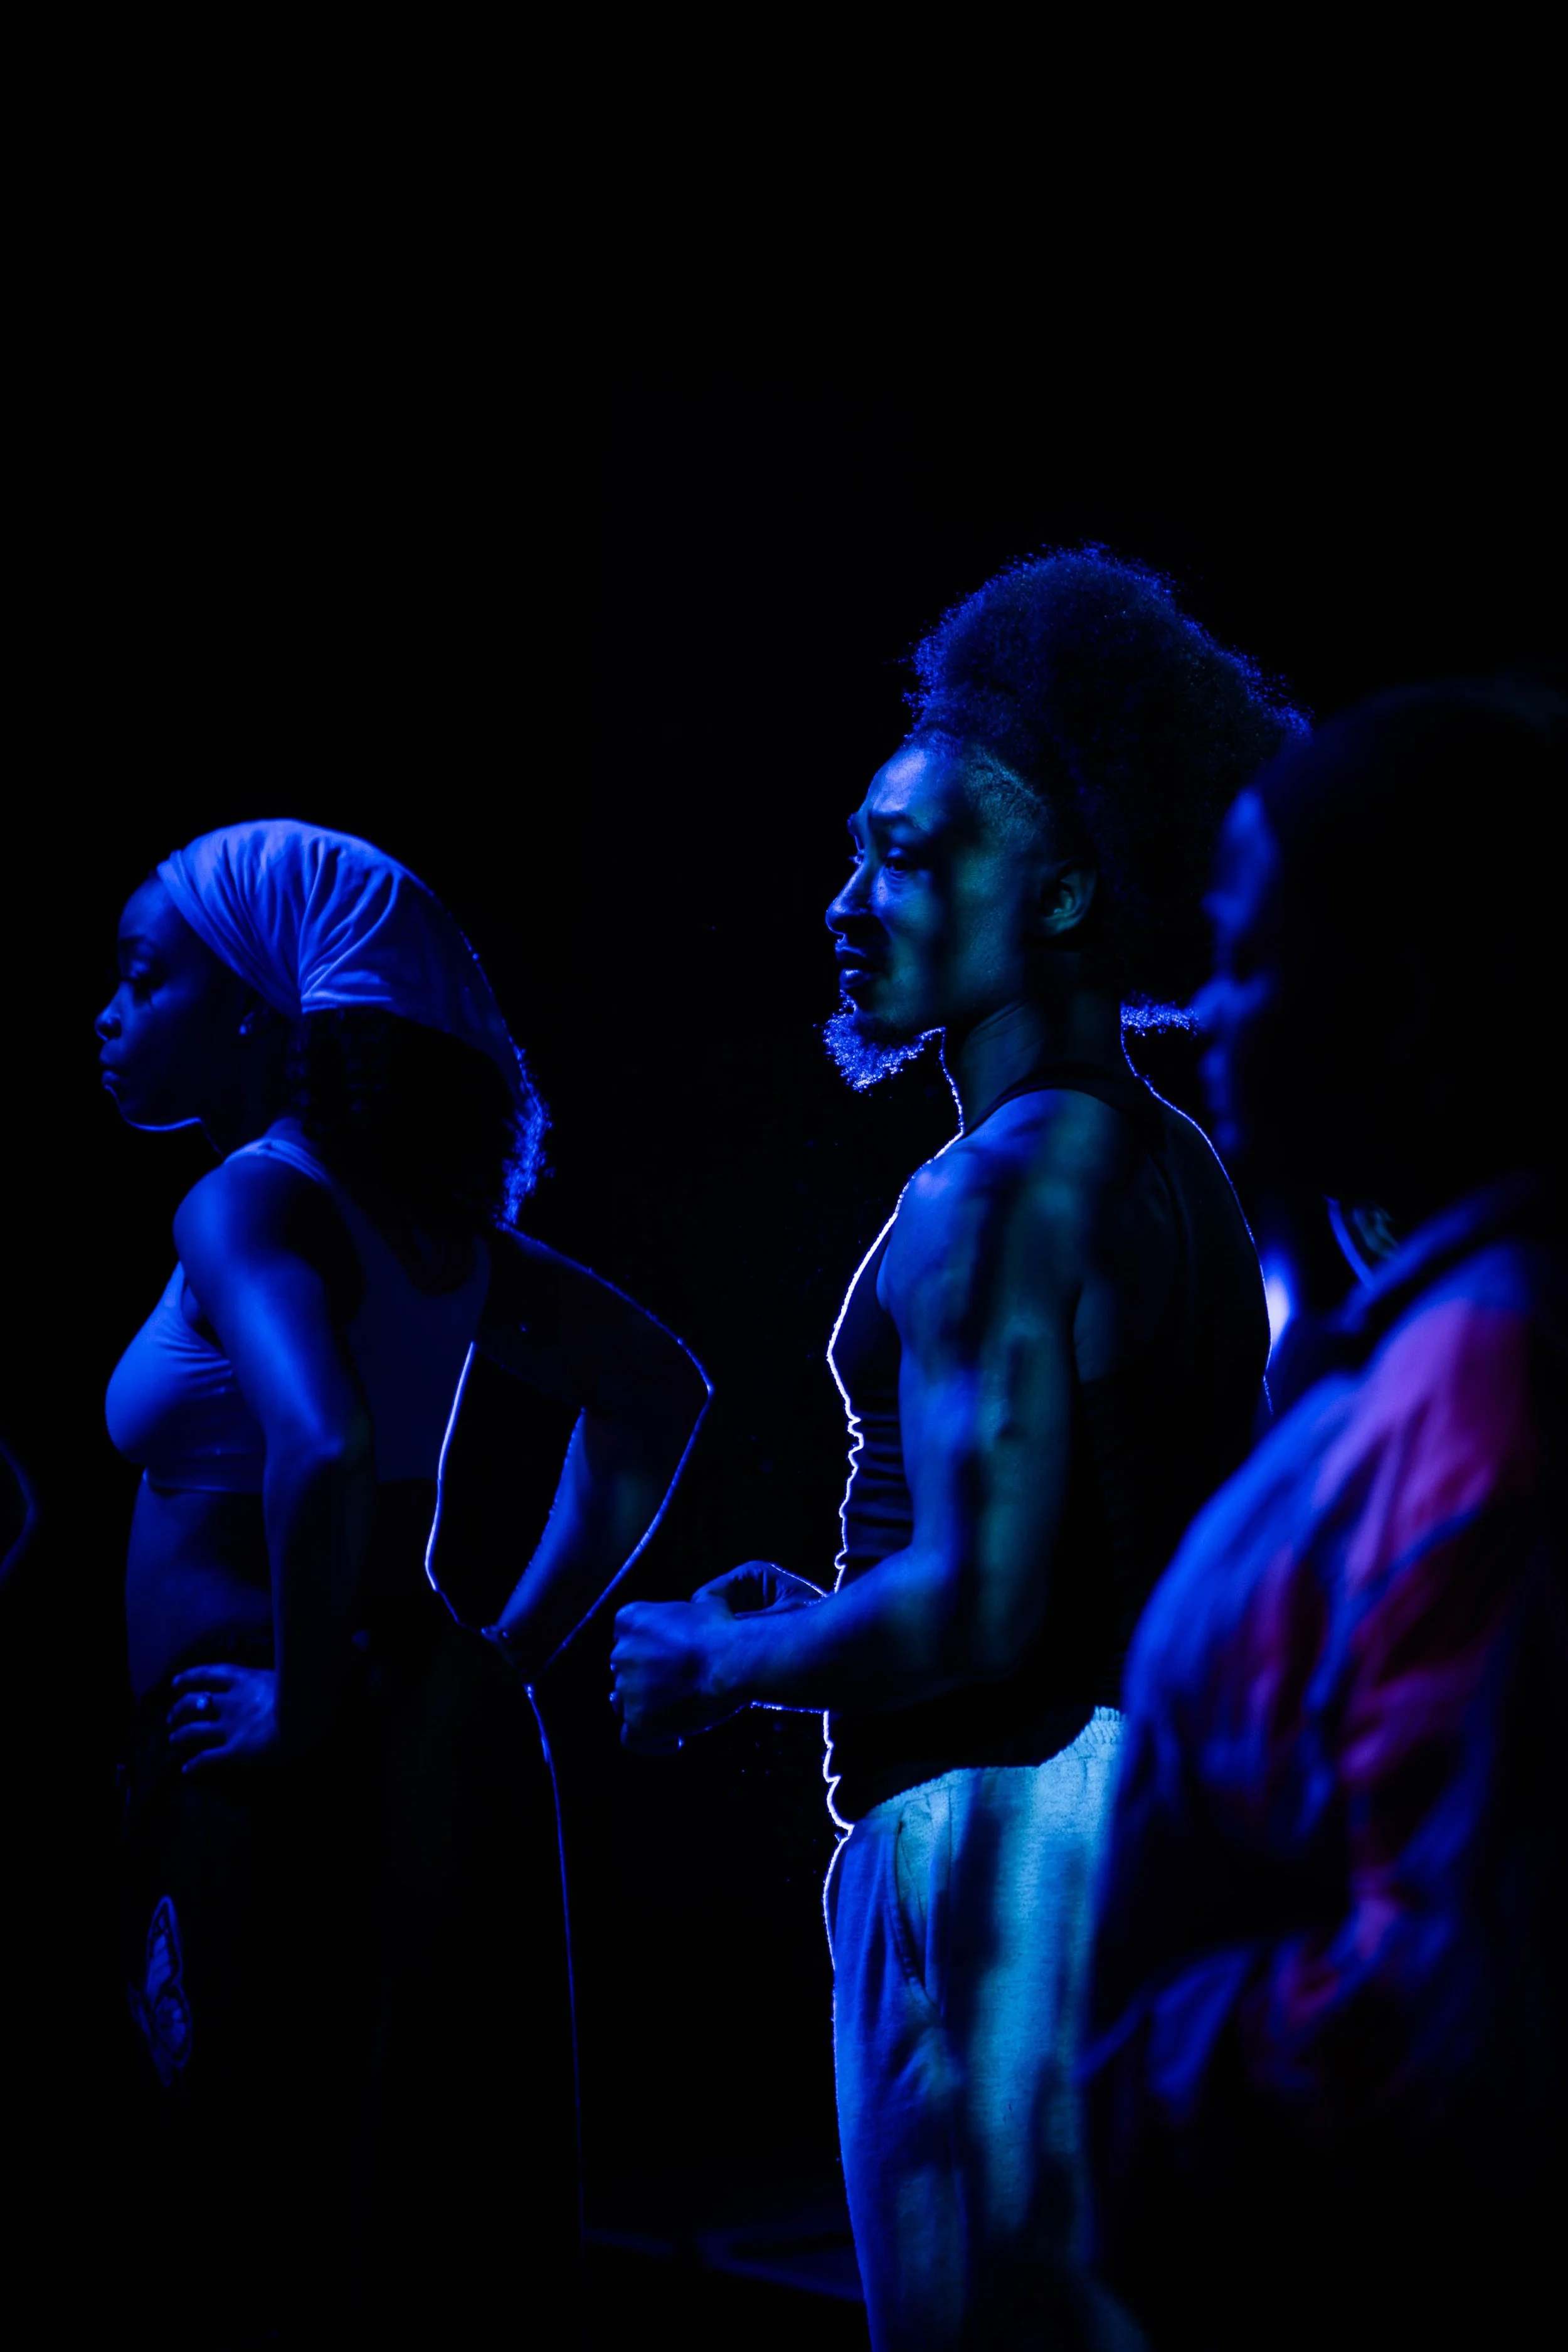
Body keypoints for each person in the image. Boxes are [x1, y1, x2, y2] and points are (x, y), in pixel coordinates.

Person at [610, 553, 1298, 2348]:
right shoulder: (1170, 1166)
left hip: (1003, 1845)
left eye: (908, 856)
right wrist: (826, 1601)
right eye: (854, 850)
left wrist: (722, 1652)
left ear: (1067, 885)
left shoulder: (994, 1188)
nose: (848, 901)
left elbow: (983, 1608)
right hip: (1128, 1825)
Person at [100, 820, 708, 2344]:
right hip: (408, 1718)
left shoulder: (246, 1200)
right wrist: (499, 1656)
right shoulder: (421, 1224)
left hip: (266, 1744)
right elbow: (655, 1389)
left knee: (254, 2195)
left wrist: (299, 1710)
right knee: (399, 2192)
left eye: (140, 976)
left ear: (254, 1005)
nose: (107, 1016)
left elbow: (319, 1443)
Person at [1081, 681, 1568, 2349]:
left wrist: (1137, 2067)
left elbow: (1446, 2005)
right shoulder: (1434, 1347)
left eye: (1242, 954)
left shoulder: (1485, 1386)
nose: (1197, 1013)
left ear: (1407, 999)